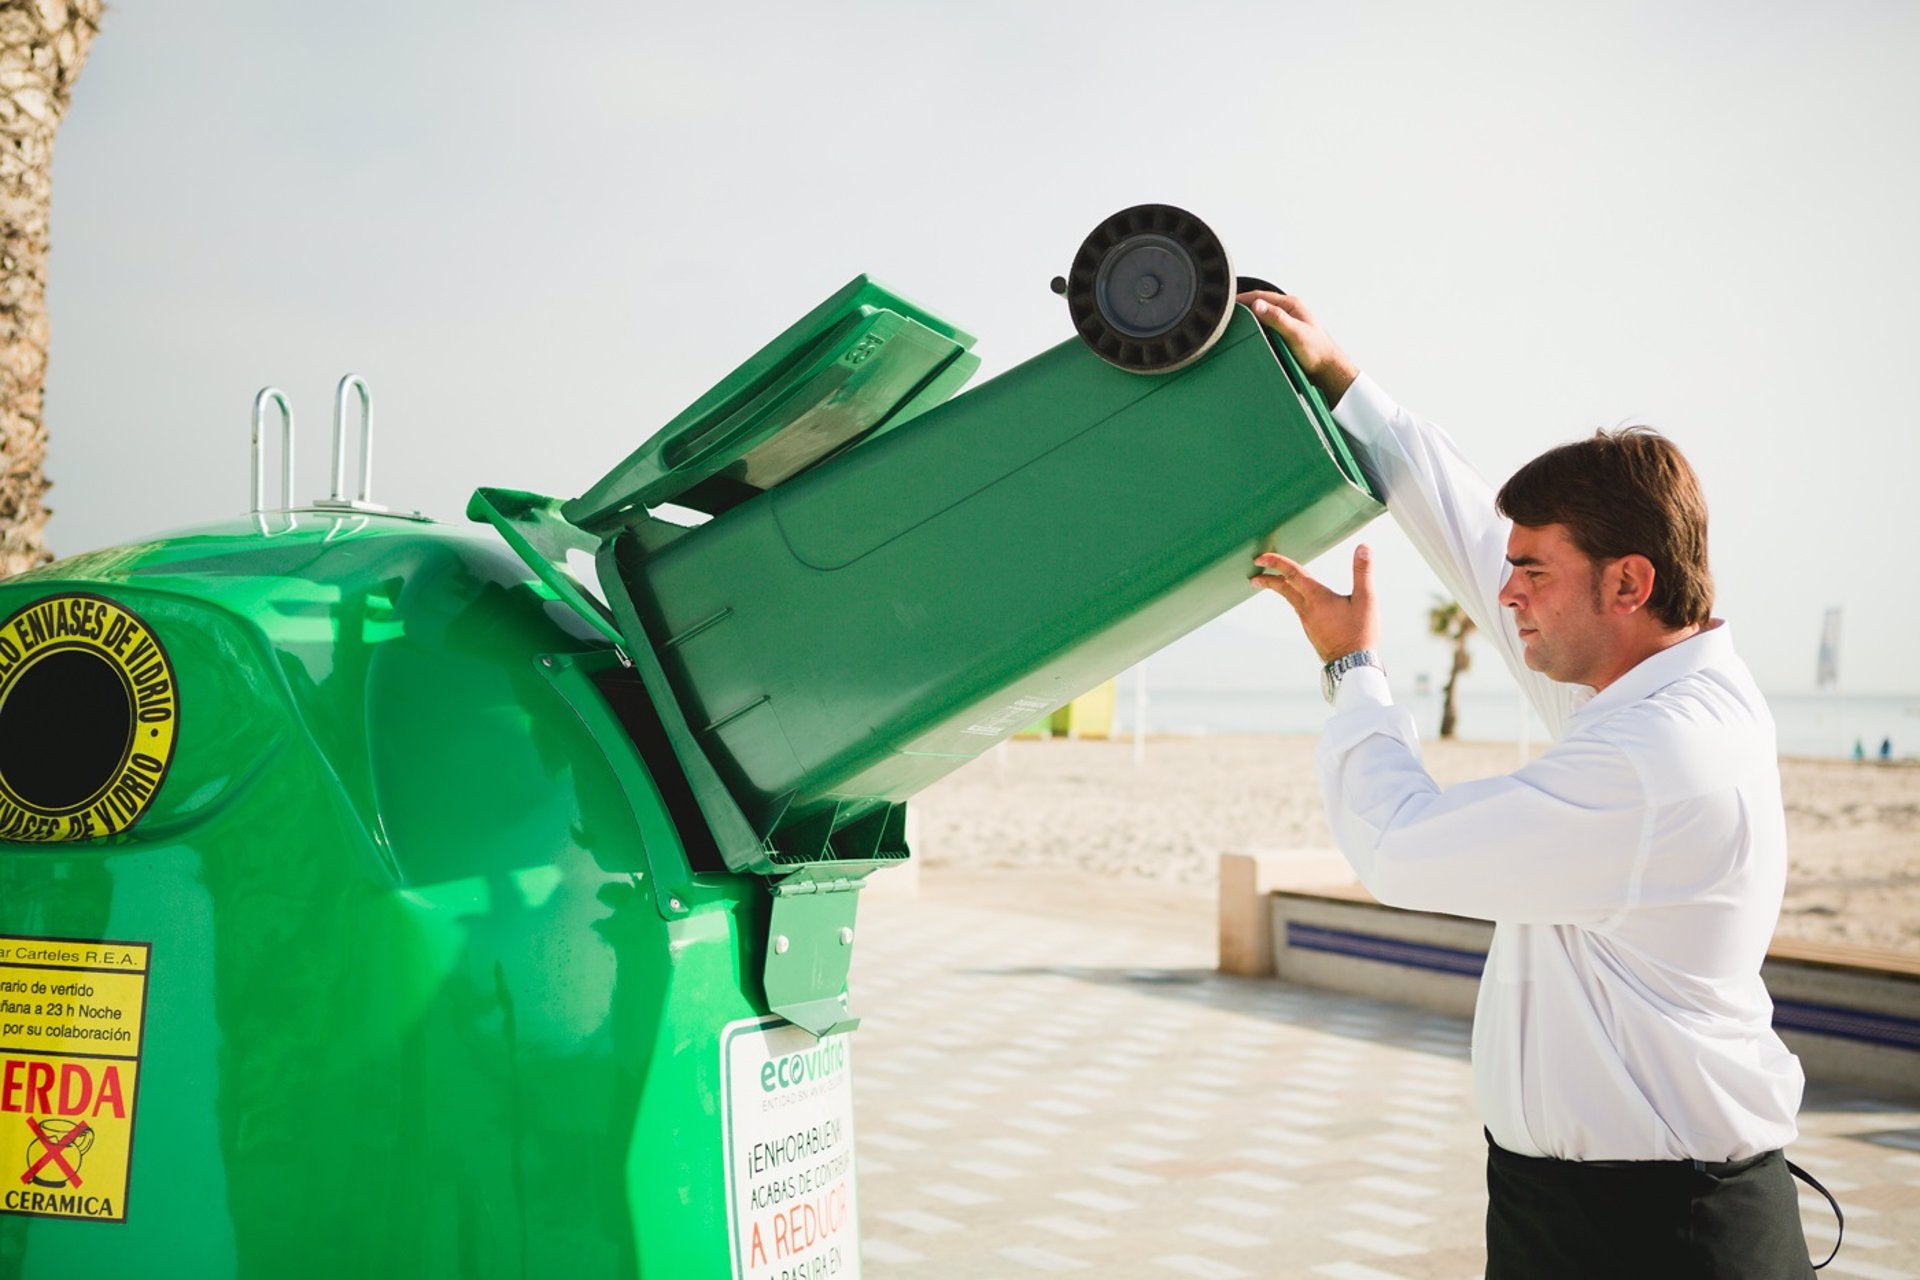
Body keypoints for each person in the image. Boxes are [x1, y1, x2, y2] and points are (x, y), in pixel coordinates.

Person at [1239, 290, 1825, 1277]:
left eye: (1535, 572)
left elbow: (1399, 847)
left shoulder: (1655, 754)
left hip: (1660, 1232)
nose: (1506, 593)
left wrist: (1355, 671)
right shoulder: (1646, 681)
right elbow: (1474, 539)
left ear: (1628, 583)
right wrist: (1340, 374)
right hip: (1568, 1211)